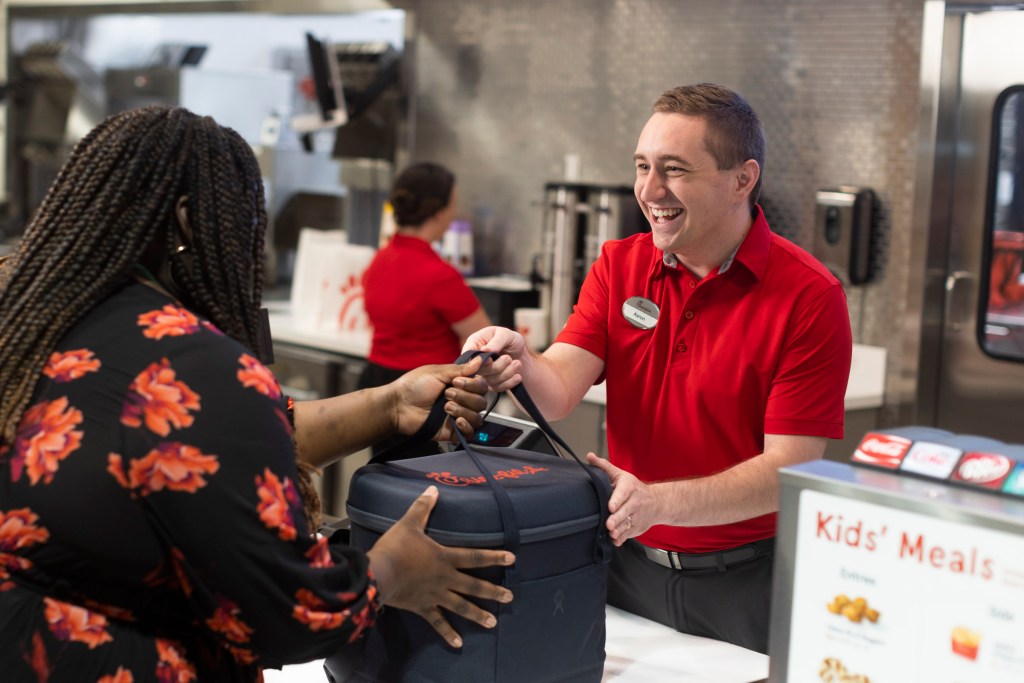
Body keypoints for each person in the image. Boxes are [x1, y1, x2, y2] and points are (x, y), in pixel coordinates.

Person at [0, 105, 514, 682]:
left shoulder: (27, 319)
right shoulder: (190, 365)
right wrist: (392, 567)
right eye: (242, 226)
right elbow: (291, 615)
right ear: (191, 224)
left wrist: (389, 405)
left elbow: (201, 447)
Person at [465, 83, 853, 654]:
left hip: (747, 584)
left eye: (674, 170)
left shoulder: (809, 297)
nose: (649, 191)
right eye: (643, 167)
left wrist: (660, 503)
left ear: (743, 179)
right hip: (622, 567)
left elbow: (789, 470)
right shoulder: (619, 265)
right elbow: (559, 389)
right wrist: (522, 362)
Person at [359, 162, 492, 457]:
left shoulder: (379, 260)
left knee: (388, 476)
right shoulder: (439, 275)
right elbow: (484, 341)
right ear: (439, 211)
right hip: (425, 399)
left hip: (377, 385)